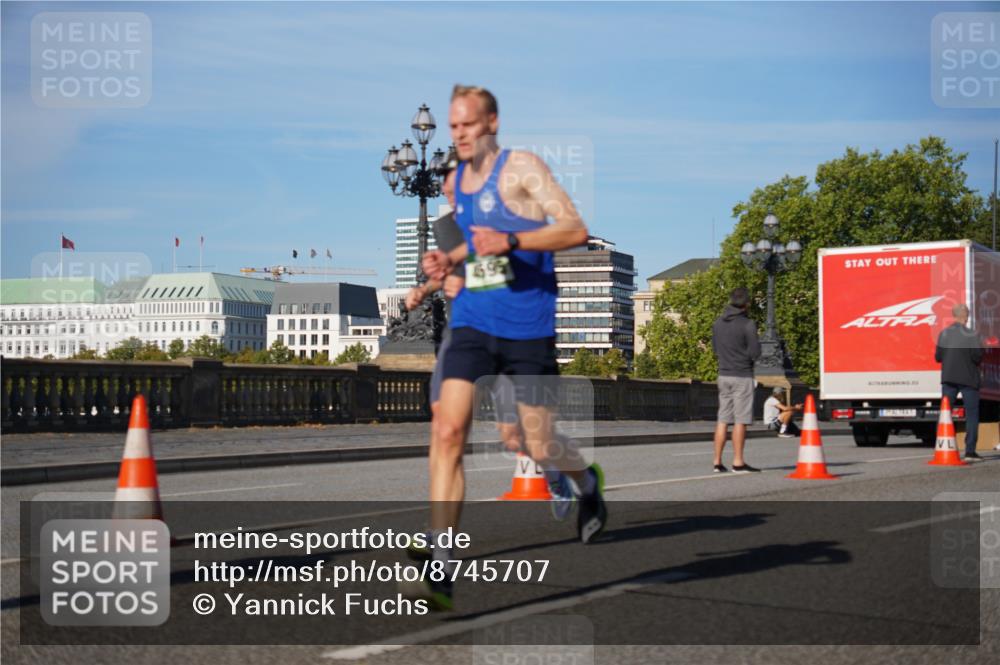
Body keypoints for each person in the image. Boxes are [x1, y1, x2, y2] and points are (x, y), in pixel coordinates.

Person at [415, 85, 605, 609]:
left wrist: (514, 241)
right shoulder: (457, 182)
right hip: (475, 320)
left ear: (492, 122)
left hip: (528, 326)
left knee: (537, 443)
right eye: (453, 128)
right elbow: (479, 251)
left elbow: (574, 228)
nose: (459, 135)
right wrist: (447, 264)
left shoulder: (522, 168)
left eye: (468, 126)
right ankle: (441, 559)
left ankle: (585, 482)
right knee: (448, 428)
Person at [405, 160, 575, 517]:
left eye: (457, 191)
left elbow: (510, 272)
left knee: (516, 436)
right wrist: (426, 288)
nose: (451, 197)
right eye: (447, 192)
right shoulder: (447, 226)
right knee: (445, 427)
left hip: (511, 331)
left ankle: (560, 475)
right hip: (466, 335)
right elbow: (454, 269)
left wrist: (466, 282)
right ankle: (441, 537)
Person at [711, 287, 762, 473]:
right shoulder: (748, 324)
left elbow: (715, 349)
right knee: (741, 420)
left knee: (723, 419)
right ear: (746, 304)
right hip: (742, 375)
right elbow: (755, 352)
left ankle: (717, 462)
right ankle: (738, 461)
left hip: (723, 374)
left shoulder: (718, 323)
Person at [935, 303, 984, 460]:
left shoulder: (944, 333)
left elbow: (938, 357)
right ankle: (970, 451)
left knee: (945, 414)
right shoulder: (972, 335)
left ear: (954, 315)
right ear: (967, 316)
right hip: (968, 380)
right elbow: (977, 357)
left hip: (948, 378)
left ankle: (942, 446)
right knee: (971, 415)